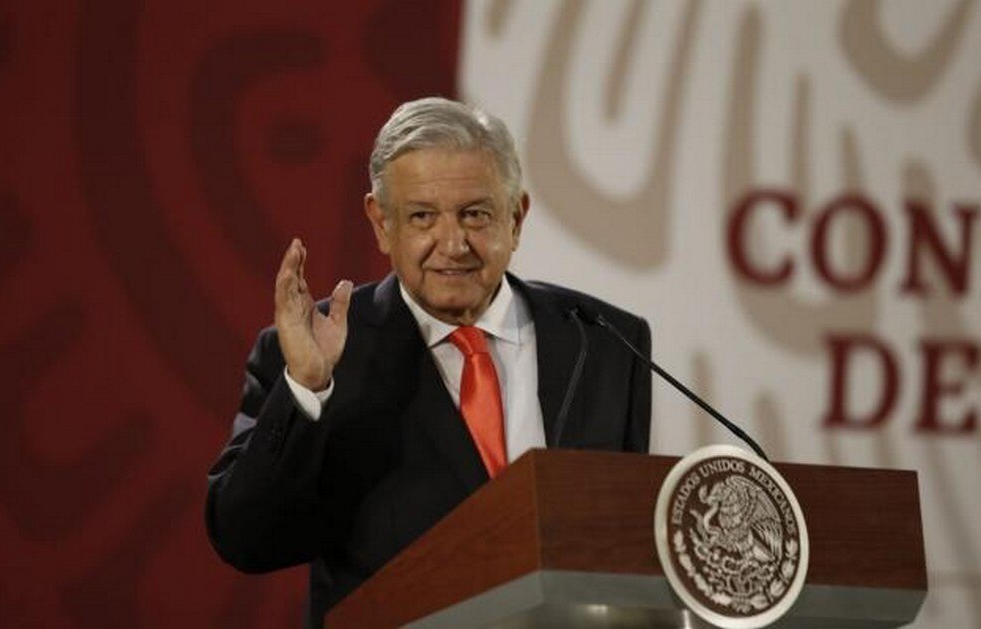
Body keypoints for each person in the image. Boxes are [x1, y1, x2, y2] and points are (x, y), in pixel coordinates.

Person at [206, 97, 652, 627]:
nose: (454, 243)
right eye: (422, 216)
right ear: (381, 223)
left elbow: (619, 549)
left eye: (476, 214)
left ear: (516, 217)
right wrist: (305, 388)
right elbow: (247, 540)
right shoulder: (316, 350)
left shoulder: (605, 342)